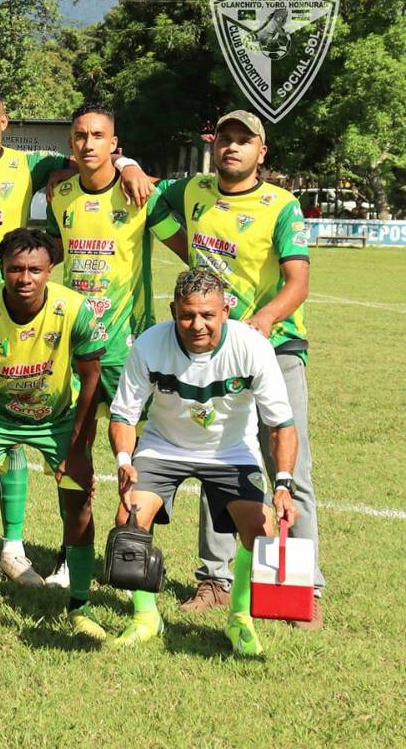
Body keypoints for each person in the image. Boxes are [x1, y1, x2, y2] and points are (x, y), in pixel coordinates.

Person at [0, 83, 151, 586]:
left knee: (17, 421)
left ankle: (13, 548)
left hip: (16, 312)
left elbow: (89, 161)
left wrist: (129, 166)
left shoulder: (31, 166)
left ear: (5, 122)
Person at [150, 111, 321, 628]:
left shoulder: (281, 205)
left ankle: (300, 588)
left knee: (288, 465)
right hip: (212, 347)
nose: (232, 147)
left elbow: (298, 281)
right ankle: (215, 580)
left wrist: (262, 322)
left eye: (244, 141)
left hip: (275, 348)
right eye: (225, 139)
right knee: (218, 455)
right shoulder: (194, 190)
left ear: (260, 153)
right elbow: (155, 205)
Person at [109, 269, 299, 655]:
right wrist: (125, 461)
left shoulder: (252, 347)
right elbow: (123, 416)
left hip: (230, 452)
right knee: (128, 519)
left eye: (208, 315)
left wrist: (282, 483)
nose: (197, 325)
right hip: (164, 447)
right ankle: (146, 618)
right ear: (173, 310)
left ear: (225, 311)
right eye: (187, 315)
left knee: (262, 529)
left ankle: (240, 619)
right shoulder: (149, 345)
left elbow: (281, 424)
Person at [44, 103, 189, 586]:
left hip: (128, 349)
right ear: (71, 144)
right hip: (72, 347)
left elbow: (188, 248)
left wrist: (133, 170)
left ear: (114, 145)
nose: (88, 143)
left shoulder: (141, 196)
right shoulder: (60, 195)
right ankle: (72, 555)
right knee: (75, 452)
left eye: (98, 135)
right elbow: (53, 251)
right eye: (80, 135)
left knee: (137, 458)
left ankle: (129, 549)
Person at [0, 228, 105, 633]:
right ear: (1, 268)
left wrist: (78, 450)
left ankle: (80, 606)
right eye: (15, 269)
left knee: (78, 502)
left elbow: (91, 383)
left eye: (35, 269)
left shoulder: (76, 309)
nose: (24, 278)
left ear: (50, 271)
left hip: (58, 418)